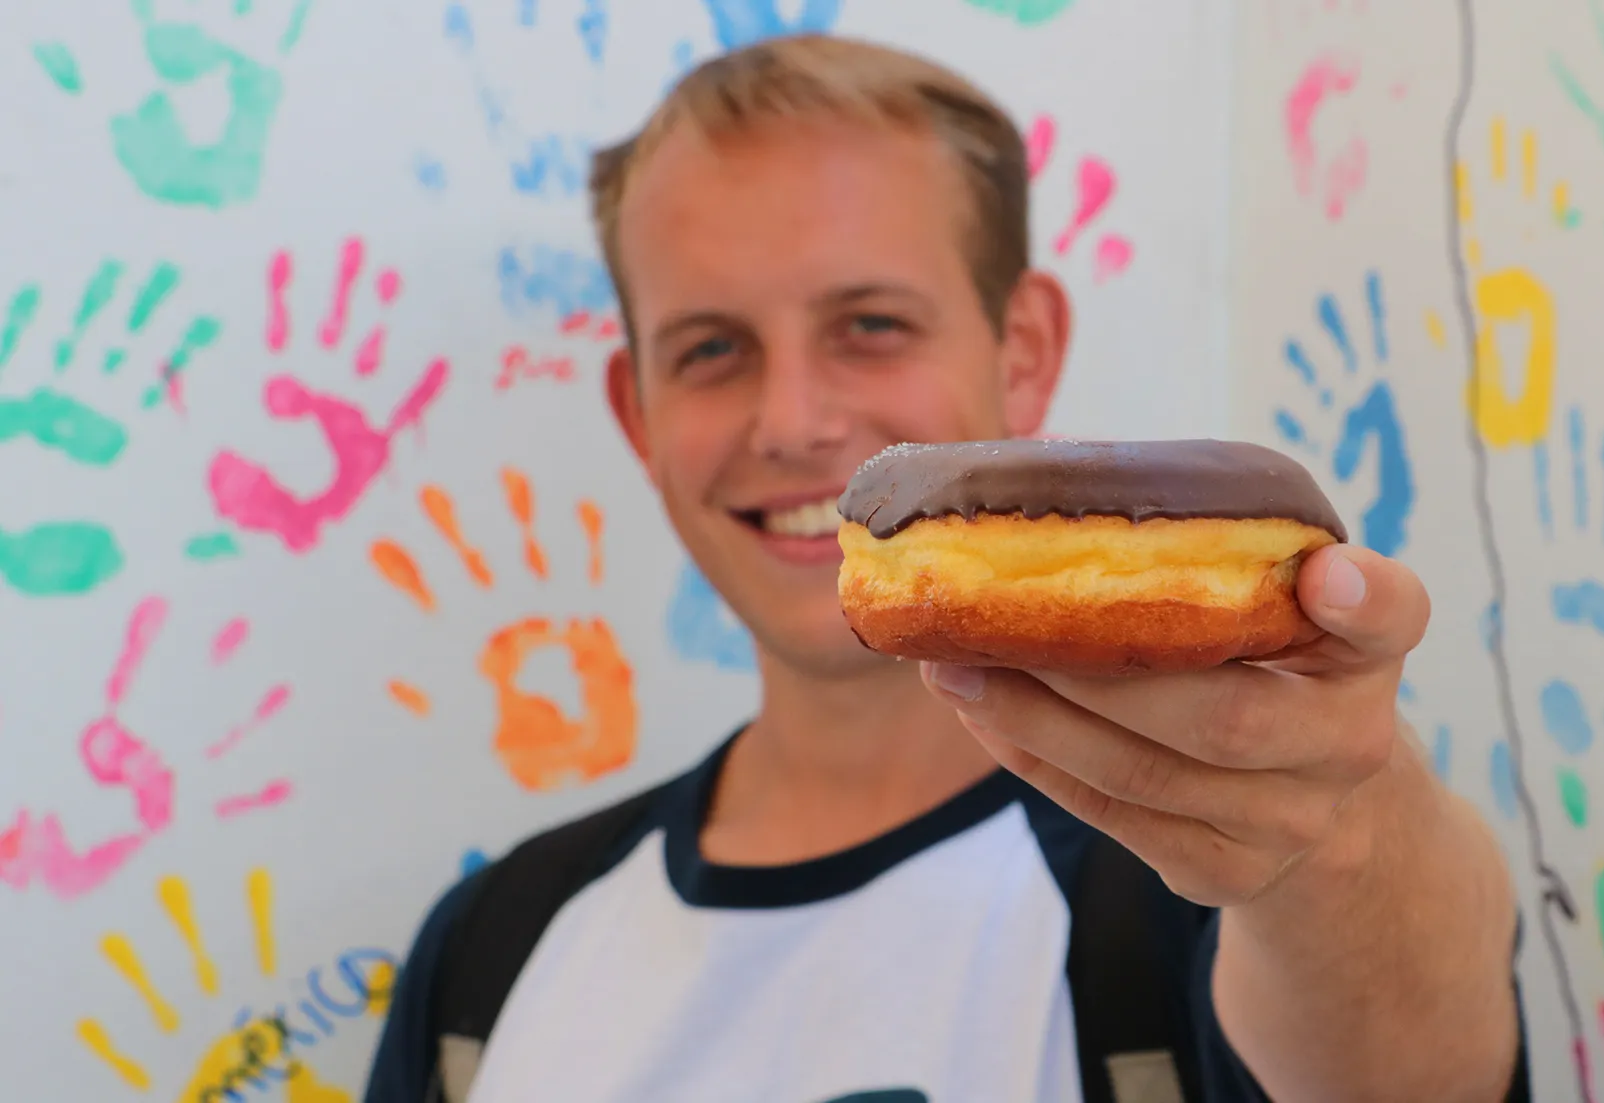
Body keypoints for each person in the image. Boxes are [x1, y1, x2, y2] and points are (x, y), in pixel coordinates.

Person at [365, 34, 1529, 1103]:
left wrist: (1351, 851)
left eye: (870, 322)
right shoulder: (492, 946)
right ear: (639, 413)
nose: (793, 418)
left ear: (1022, 351)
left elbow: (1412, 1053)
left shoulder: (1201, 880)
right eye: (712, 348)